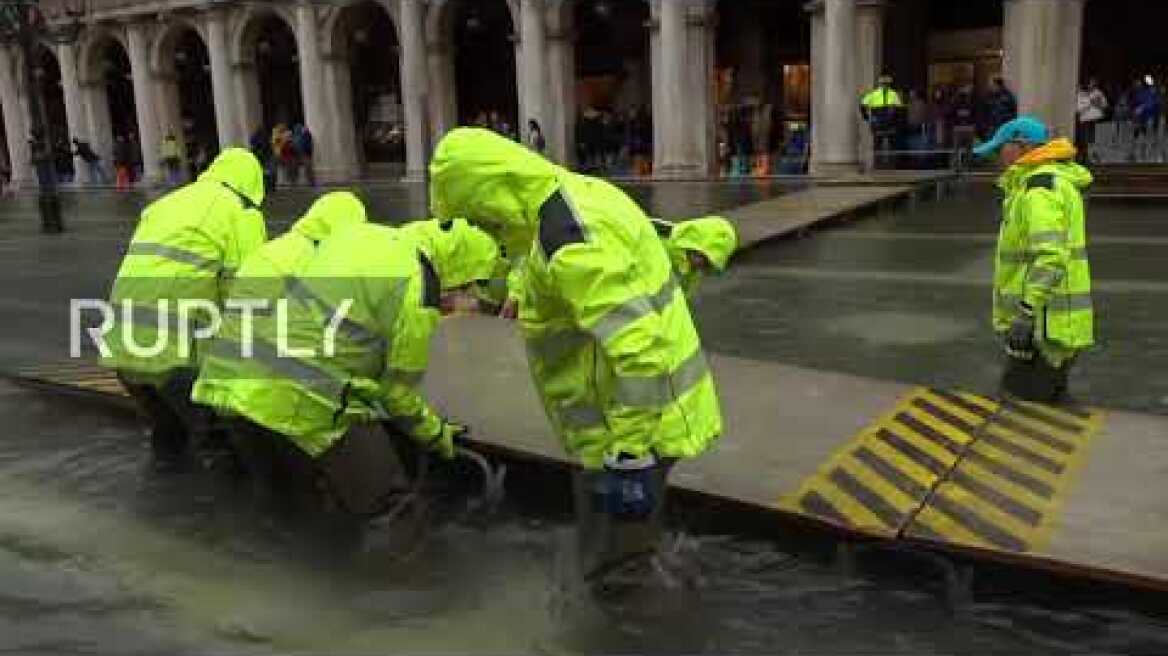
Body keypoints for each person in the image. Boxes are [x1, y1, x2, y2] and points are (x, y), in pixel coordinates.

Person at [429, 127, 723, 578]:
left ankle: (662, 631)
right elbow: (651, 239)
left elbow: (639, 349)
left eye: (478, 217)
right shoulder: (577, 196)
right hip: (615, 427)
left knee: (619, 573)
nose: (482, 231)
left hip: (632, 428)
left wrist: (630, 455)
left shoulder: (565, 238)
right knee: (608, 556)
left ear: (493, 195)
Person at [192, 217, 500, 520]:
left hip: (247, 385)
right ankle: (380, 562)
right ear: (460, 269)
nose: (461, 297)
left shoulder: (357, 235)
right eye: (467, 287)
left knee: (286, 504)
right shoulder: (418, 290)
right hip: (304, 404)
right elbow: (398, 395)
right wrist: (437, 437)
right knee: (391, 507)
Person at [100, 148, 268, 469]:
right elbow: (246, 293)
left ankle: (158, 507)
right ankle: (241, 514)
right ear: (253, 184)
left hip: (120, 344)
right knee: (221, 446)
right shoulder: (240, 214)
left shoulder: (165, 203)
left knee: (168, 440)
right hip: (172, 356)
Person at [972, 116, 1094, 404]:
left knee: (1020, 410)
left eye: (1000, 149)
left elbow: (1050, 258)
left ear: (1021, 147)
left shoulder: (1039, 190)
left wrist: (1025, 313)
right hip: (1053, 323)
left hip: (1042, 328)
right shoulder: (1053, 183)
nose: (996, 158)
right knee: (1047, 405)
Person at [651, 216, 739, 297]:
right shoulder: (657, 242)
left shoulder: (693, 271)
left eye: (708, 264)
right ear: (693, 246)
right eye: (704, 258)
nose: (702, 266)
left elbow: (682, 298)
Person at [859, 73, 904, 169]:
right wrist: (867, 117)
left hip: (879, 122)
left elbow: (862, 105)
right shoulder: (893, 94)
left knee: (878, 144)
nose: (885, 85)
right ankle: (890, 165)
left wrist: (867, 117)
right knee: (889, 144)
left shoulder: (874, 94)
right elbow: (899, 110)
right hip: (887, 122)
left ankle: (879, 164)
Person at [1076, 78, 1109, 163]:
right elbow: (1078, 108)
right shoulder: (1082, 94)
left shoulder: (1098, 93)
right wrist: (1089, 103)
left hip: (1095, 119)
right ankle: (1084, 156)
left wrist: (1097, 103)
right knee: (1084, 139)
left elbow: (1105, 105)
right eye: (1089, 83)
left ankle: (1091, 157)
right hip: (1084, 120)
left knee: (1092, 139)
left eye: (1093, 83)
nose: (1090, 85)